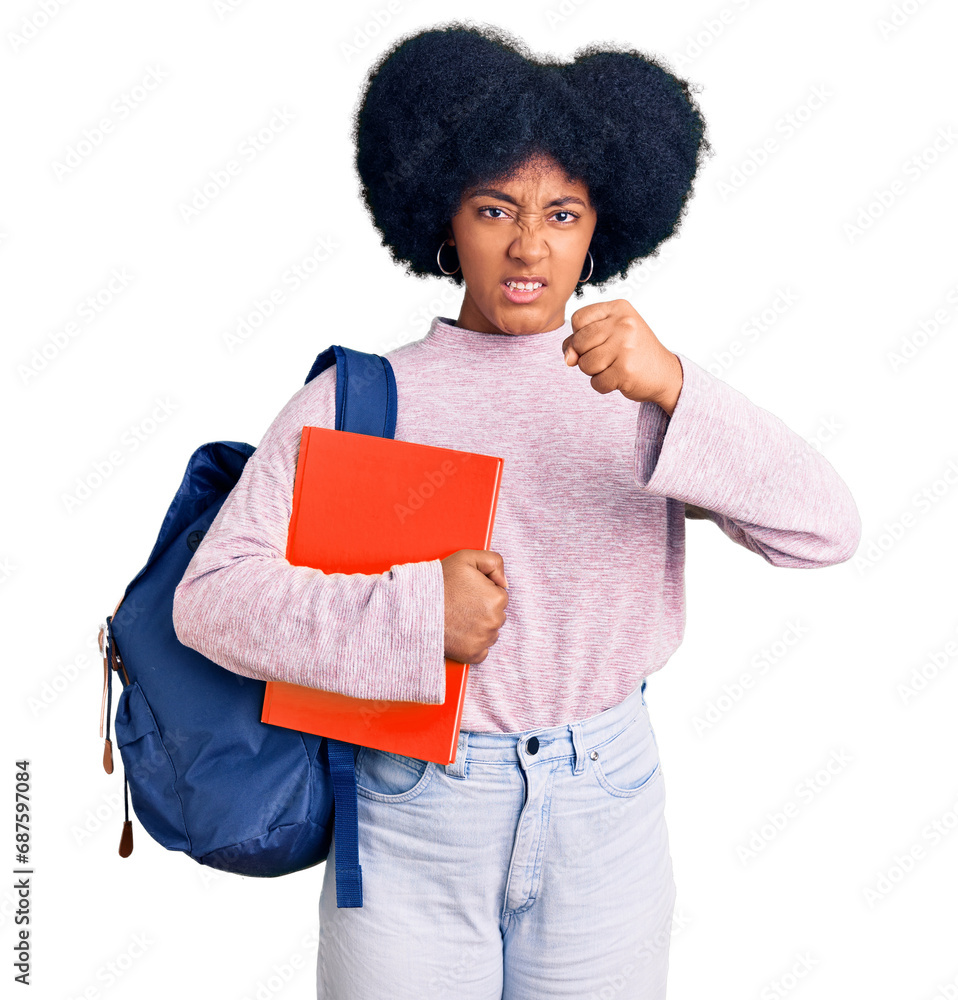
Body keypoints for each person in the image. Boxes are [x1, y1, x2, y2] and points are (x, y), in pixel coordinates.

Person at [171, 21, 862, 1000]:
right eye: (496, 208)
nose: (529, 245)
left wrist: (674, 385)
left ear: (604, 225)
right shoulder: (363, 400)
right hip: (412, 807)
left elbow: (825, 527)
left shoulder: (639, 391)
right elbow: (210, 600)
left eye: (563, 212)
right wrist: (413, 615)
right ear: (444, 217)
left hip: (605, 809)